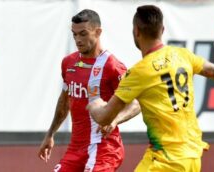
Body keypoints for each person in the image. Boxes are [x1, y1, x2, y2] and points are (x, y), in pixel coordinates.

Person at [87, 5, 214, 172]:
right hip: (192, 157)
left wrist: (94, 103)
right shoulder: (183, 55)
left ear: (136, 32)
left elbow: (103, 117)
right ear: (162, 29)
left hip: (165, 161)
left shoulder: (138, 72)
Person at [38, 9, 140, 172]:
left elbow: (135, 104)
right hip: (76, 149)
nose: (78, 40)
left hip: (104, 148)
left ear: (98, 32)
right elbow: (65, 101)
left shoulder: (112, 66)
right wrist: (50, 134)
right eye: (74, 34)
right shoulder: (68, 63)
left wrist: (114, 120)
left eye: (83, 34)